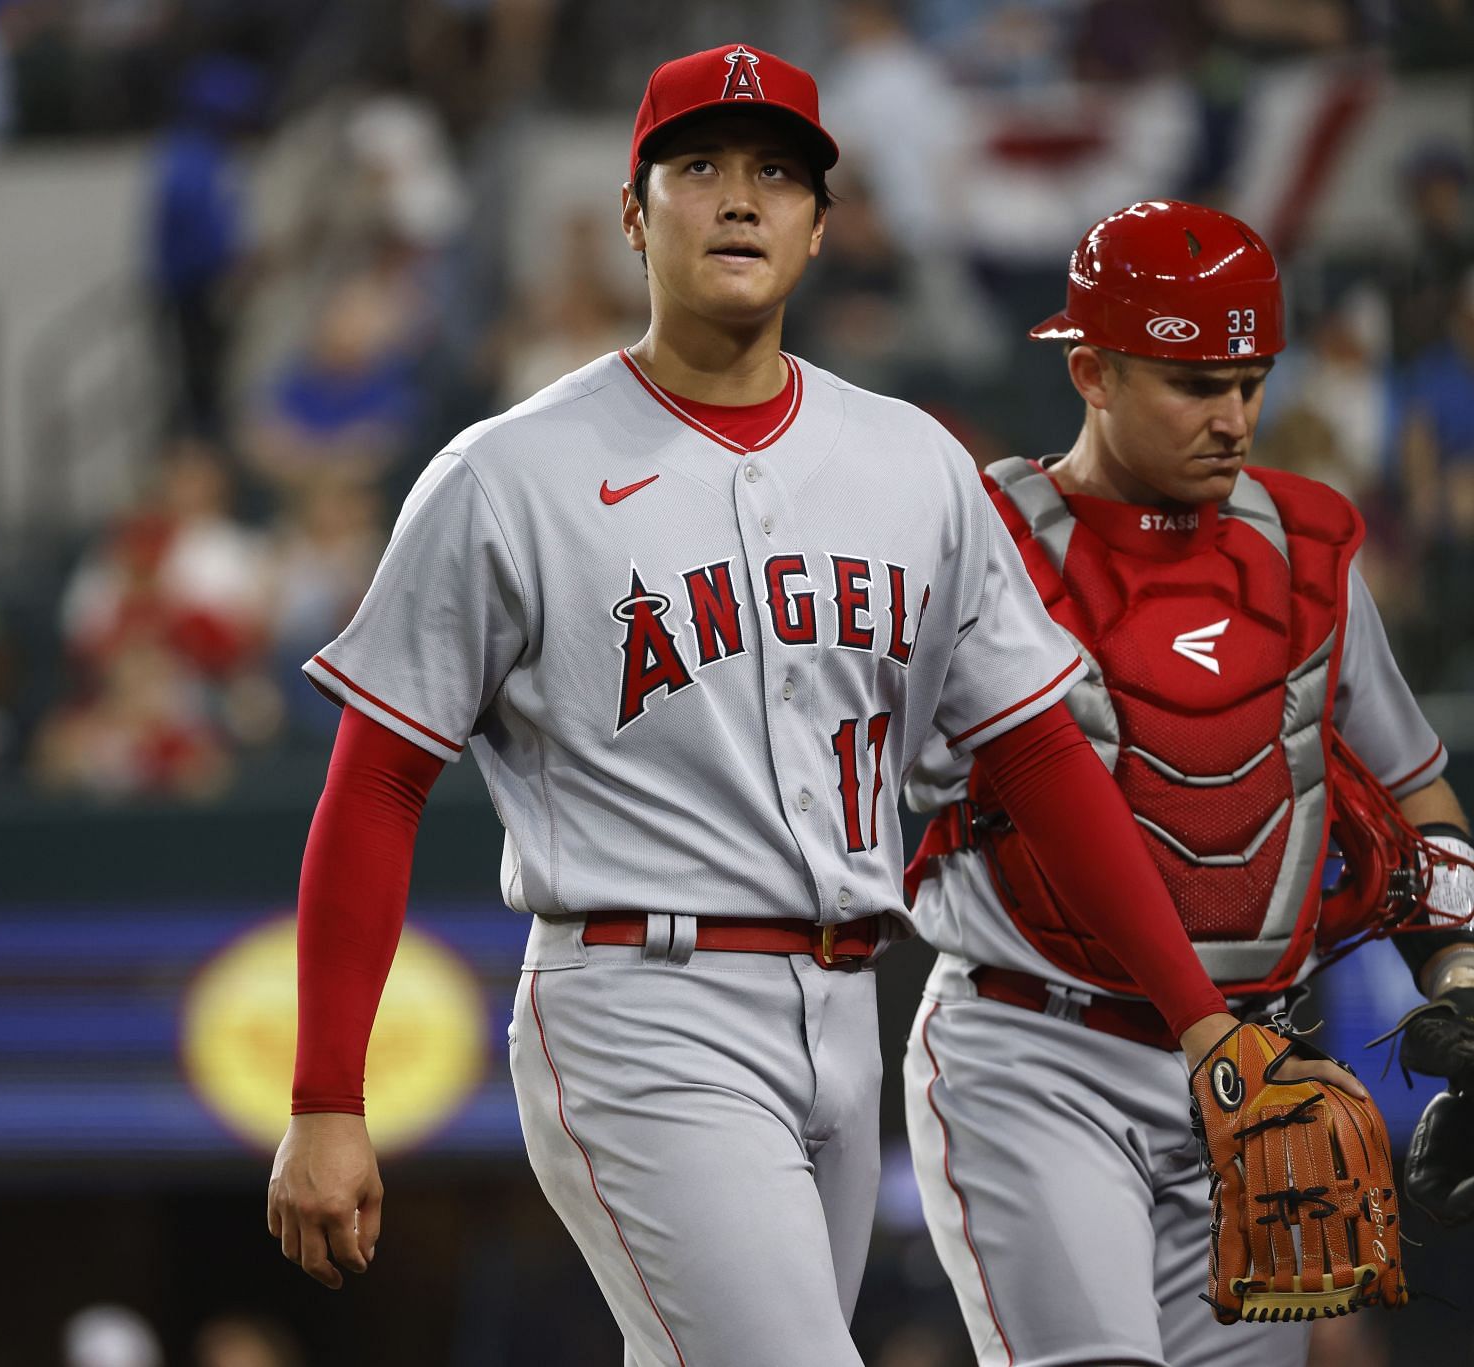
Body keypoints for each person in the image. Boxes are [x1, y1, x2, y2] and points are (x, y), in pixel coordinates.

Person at [265, 49, 1309, 1366]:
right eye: (698, 169)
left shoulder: (910, 460)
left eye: (775, 174)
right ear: (635, 215)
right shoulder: (507, 475)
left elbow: (1040, 751)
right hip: (638, 998)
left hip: (844, 1001)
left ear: (823, 226)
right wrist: (324, 1094)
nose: (740, 201)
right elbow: (375, 779)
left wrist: (1197, 1010)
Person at [901, 200, 1474, 1367]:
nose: (1234, 417)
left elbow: (1418, 790)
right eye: (1196, 382)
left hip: (1262, 1073)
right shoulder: (983, 539)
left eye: (1251, 380)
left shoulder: (1303, 550)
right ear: (1092, 370)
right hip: (1038, 1051)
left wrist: (1460, 974)